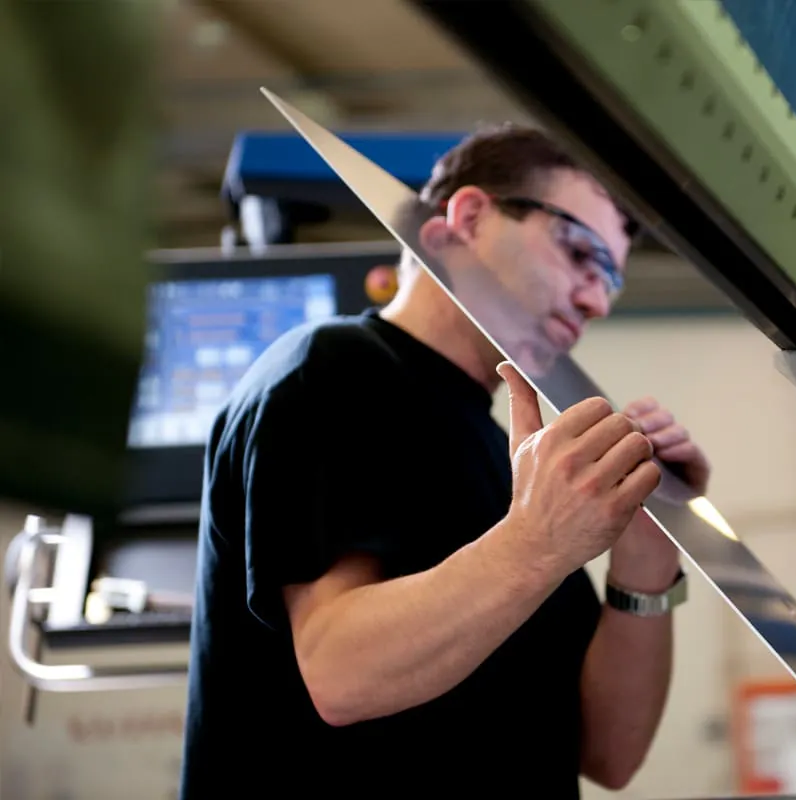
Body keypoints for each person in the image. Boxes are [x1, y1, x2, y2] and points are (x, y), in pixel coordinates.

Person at [179, 123, 713, 798]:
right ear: (467, 217)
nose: (597, 301)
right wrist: (537, 542)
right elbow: (341, 676)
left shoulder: (501, 453)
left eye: (610, 280)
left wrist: (647, 552)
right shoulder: (326, 374)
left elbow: (609, 754)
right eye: (580, 253)